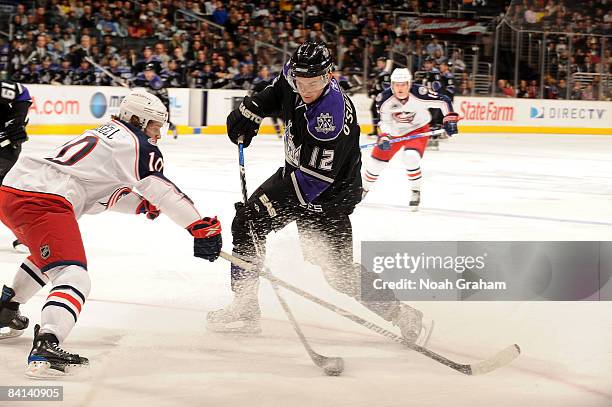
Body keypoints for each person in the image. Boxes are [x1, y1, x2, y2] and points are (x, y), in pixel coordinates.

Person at [207, 41, 427, 345]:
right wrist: (252, 110)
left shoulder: (330, 117)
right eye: (301, 81)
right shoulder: (294, 74)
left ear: (329, 76)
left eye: (313, 82)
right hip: (297, 171)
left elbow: (313, 181)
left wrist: (272, 208)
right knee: (247, 223)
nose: (306, 88)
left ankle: (401, 314)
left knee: (337, 274)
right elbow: (276, 91)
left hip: (328, 196)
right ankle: (245, 307)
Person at [0, 90, 222, 378]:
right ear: (138, 119)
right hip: (44, 201)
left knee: (49, 259)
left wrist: (141, 206)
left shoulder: (107, 136)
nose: (158, 133)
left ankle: (6, 309)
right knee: (73, 274)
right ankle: (47, 345)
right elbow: (163, 190)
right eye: (154, 124)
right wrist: (199, 226)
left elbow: (102, 195)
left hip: (15, 191)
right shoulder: (136, 144)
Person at [361, 68, 459, 210]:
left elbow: (443, 101)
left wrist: (449, 119)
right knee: (376, 164)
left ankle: (415, 190)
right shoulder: (383, 99)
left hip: (417, 129)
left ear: (409, 84)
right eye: (397, 84)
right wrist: (386, 136)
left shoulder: (420, 93)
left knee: (411, 156)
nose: (400, 88)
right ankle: (363, 189)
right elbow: (385, 122)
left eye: (403, 84)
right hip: (394, 132)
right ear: (392, 85)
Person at [0, 81, 31, 251]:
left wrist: (16, 123)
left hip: (4, 149)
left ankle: (27, 236)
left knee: (5, 197)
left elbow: (21, 92)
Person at [133, 63, 178, 138]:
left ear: (153, 72)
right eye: (146, 72)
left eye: (149, 72)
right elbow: (136, 83)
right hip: (152, 104)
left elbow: (161, 96)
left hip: (161, 104)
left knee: (163, 122)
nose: (147, 74)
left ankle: (172, 127)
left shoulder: (157, 81)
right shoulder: (144, 79)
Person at [250, 66, 283, 139]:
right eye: (263, 70)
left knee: (282, 116)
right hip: (264, 103)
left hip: (275, 102)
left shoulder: (273, 79)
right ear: (260, 72)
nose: (264, 72)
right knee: (274, 117)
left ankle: (286, 131)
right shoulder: (257, 81)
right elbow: (252, 91)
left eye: (266, 70)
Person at [367, 57, 391, 137]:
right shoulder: (379, 73)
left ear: (384, 63)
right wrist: (372, 92)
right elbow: (377, 85)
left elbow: (386, 87)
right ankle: (375, 131)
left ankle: (382, 131)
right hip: (379, 97)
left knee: (381, 113)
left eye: (380, 62)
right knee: (374, 110)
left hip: (383, 98)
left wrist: (380, 94)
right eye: (378, 62)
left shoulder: (386, 74)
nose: (379, 64)